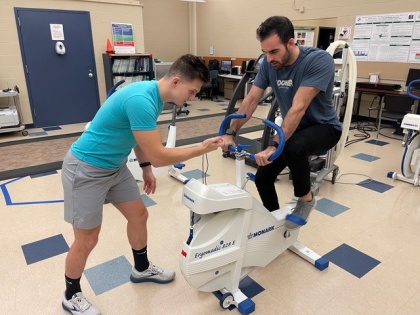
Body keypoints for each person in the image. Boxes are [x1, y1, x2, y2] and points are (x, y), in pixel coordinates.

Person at [61, 54, 224, 315]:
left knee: (139, 214)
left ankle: (141, 268)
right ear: (175, 81)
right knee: (87, 238)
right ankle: (71, 294)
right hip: (86, 168)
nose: (192, 97)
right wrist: (200, 149)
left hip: (114, 166)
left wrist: (145, 167)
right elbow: (160, 156)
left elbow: (138, 135)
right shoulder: (142, 100)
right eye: (192, 91)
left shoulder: (156, 96)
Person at [223, 16, 342, 229]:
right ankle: (273, 220)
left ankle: (306, 199)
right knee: (262, 178)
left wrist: (274, 145)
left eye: (274, 51)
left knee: (293, 147)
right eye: (265, 52)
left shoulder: (318, 60)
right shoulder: (269, 64)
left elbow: (298, 108)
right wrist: (230, 132)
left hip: (324, 128)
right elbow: (251, 100)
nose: (268, 59)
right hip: (295, 129)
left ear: (291, 42)